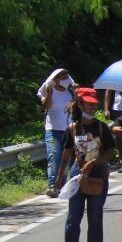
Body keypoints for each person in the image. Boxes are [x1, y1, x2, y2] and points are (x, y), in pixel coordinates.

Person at [55, 88, 115, 242]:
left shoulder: (101, 127)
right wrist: (59, 178)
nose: (92, 108)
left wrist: (95, 162)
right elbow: (66, 153)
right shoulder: (73, 128)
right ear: (80, 104)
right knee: (73, 217)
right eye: (88, 104)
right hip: (78, 173)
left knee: (95, 216)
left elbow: (110, 151)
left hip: (98, 175)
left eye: (94, 105)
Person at [38, 68, 76, 197]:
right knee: (54, 156)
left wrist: (75, 98)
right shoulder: (49, 90)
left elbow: (78, 107)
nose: (65, 80)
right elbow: (46, 106)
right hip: (52, 128)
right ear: (56, 78)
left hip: (68, 129)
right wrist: (49, 92)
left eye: (67, 77)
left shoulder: (70, 92)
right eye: (62, 77)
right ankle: (52, 185)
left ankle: (63, 184)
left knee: (67, 158)